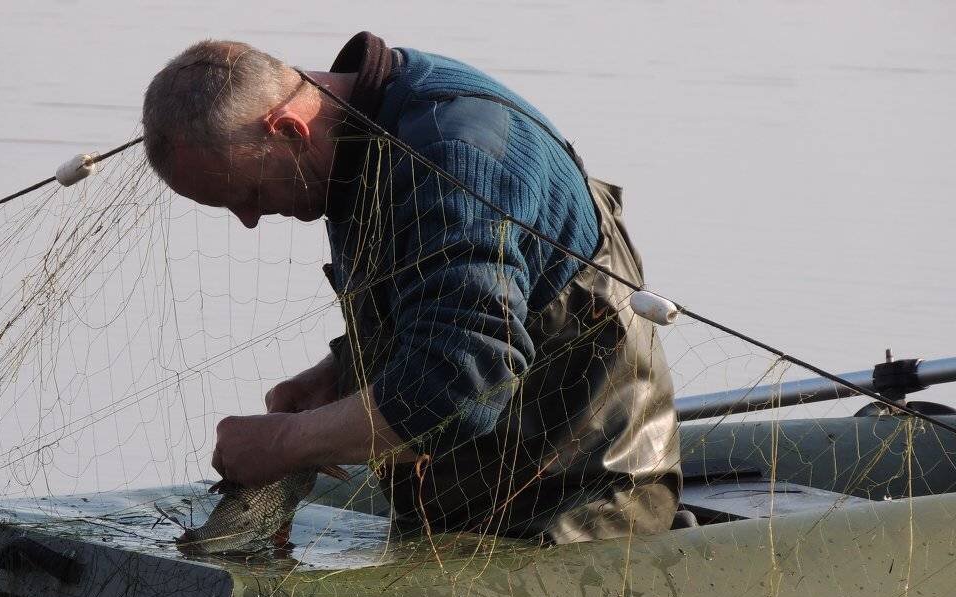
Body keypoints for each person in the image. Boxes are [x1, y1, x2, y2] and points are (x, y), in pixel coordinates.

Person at [141, 32, 681, 543]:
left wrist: (285, 445)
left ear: (289, 129)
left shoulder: (453, 157)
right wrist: (339, 374)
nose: (249, 218)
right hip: (466, 494)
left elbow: (464, 383)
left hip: (581, 503)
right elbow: (435, 306)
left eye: (249, 192)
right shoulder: (354, 136)